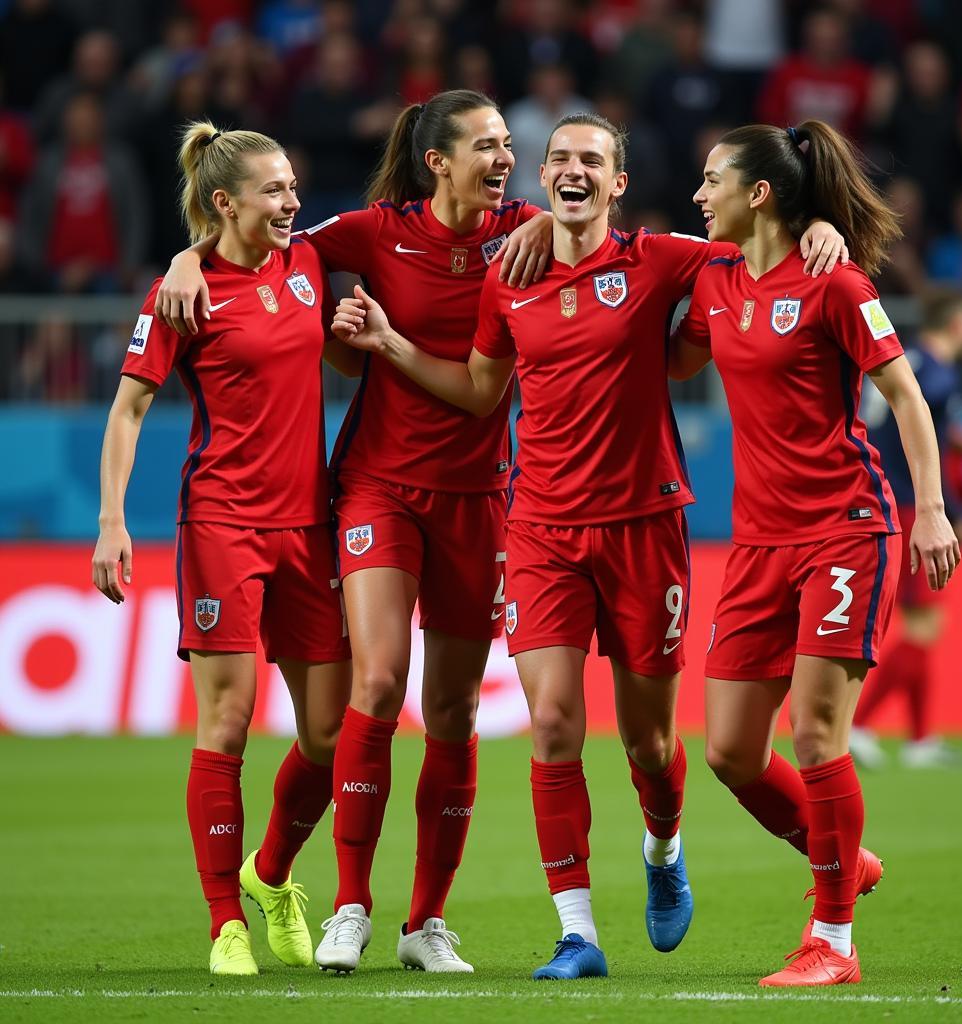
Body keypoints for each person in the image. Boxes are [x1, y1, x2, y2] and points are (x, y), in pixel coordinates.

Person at [330, 112, 848, 981]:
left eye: (593, 161)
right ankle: (577, 933)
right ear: (543, 177)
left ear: (618, 184)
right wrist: (389, 344)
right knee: (555, 723)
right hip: (538, 529)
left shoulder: (663, 259)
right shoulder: (510, 276)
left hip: (646, 528)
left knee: (650, 743)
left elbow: (760, 242)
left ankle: (662, 847)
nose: (574, 170)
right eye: (560, 159)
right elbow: (481, 389)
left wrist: (816, 225)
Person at [154, 89, 556, 975]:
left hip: (480, 493)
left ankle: (425, 923)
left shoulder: (527, 227)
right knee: (376, 683)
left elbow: (614, 247)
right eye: (487, 144)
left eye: (505, 144)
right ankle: (350, 908)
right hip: (375, 487)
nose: (506, 156)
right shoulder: (370, 232)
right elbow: (257, 241)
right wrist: (185, 257)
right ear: (436, 160)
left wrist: (806, 236)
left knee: (451, 712)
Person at [672, 119, 960, 986]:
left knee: (817, 734)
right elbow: (680, 359)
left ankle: (832, 941)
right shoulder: (716, 276)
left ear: (758, 193)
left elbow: (906, 399)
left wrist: (932, 511)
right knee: (728, 751)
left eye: (713, 180)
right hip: (757, 541)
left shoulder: (834, 282)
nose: (699, 194)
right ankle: (845, 859)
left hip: (842, 527)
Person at [92, 121, 355, 977]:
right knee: (229, 721)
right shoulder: (183, 293)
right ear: (224, 202)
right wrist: (111, 523)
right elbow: (128, 410)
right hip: (222, 525)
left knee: (327, 735)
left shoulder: (309, 263)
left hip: (308, 525)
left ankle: (271, 876)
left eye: (292, 187)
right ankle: (222, 923)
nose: (291, 202)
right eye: (274, 190)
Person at [853, 290, 962, 768]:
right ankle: (860, 725)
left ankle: (920, 738)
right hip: (910, 507)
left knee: (924, 623)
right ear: (956, 322)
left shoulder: (911, 363)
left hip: (894, 499)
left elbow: (945, 436)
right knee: (924, 625)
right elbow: (929, 442)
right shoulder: (939, 374)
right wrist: (949, 513)